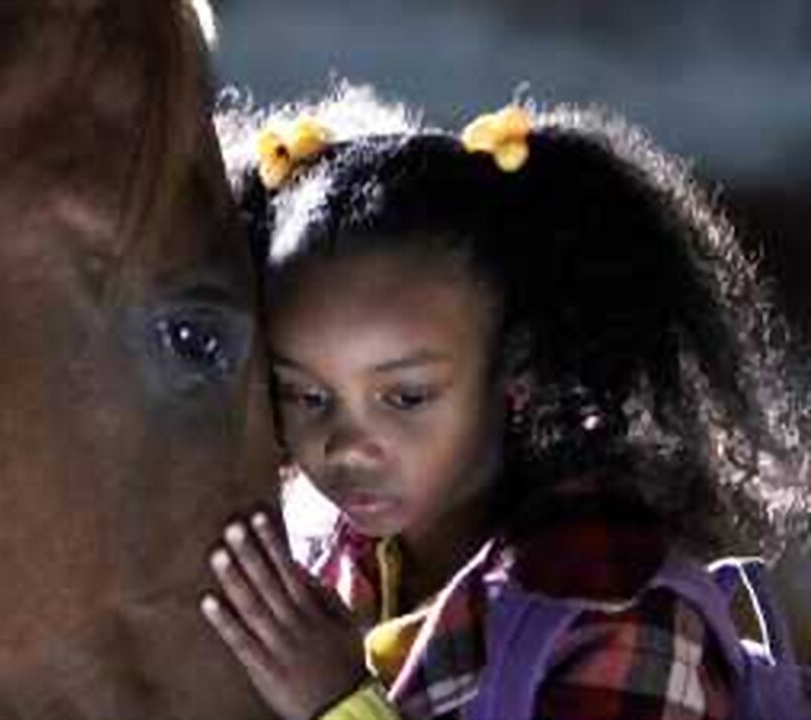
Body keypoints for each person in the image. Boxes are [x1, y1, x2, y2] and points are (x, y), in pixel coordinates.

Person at [200, 85, 810, 720]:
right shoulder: (308, 549)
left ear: (519, 365)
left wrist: (341, 702)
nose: (346, 445)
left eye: (406, 396)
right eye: (306, 394)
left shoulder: (622, 612)